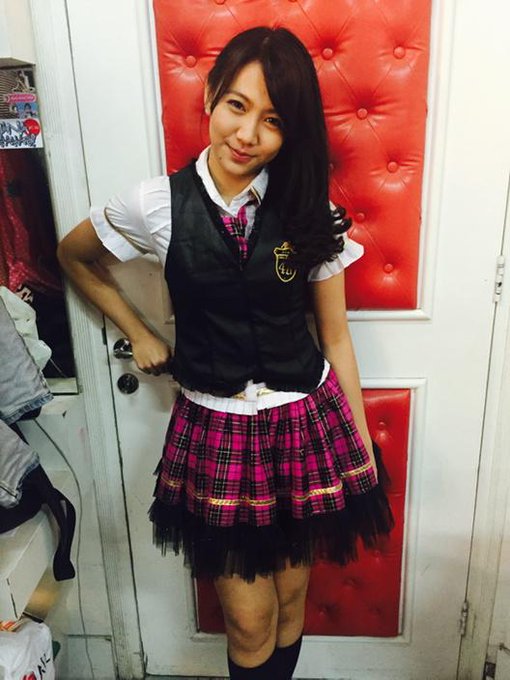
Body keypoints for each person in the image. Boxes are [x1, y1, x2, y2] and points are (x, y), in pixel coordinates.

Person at [57, 26, 394, 680]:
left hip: (305, 422)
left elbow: (335, 337)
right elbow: (74, 256)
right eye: (237, 106)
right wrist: (140, 332)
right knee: (247, 620)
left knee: (290, 602)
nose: (247, 134)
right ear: (211, 95)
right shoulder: (156, 204)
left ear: (289, 131)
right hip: (218, 428)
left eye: (273, 120)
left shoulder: (308, 209)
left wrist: (356, 445)